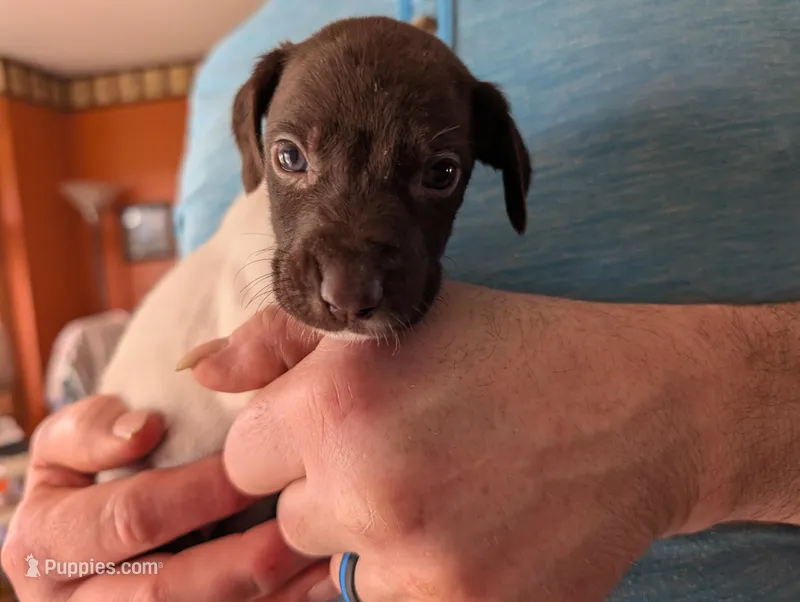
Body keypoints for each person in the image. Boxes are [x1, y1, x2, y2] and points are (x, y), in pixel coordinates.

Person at [4, 0, 800, 600]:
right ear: (256, 142)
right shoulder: (232, 65)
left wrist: (690, 428)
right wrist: (62, 550)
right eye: (290, 159)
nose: (344, 287)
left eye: (437, 175)